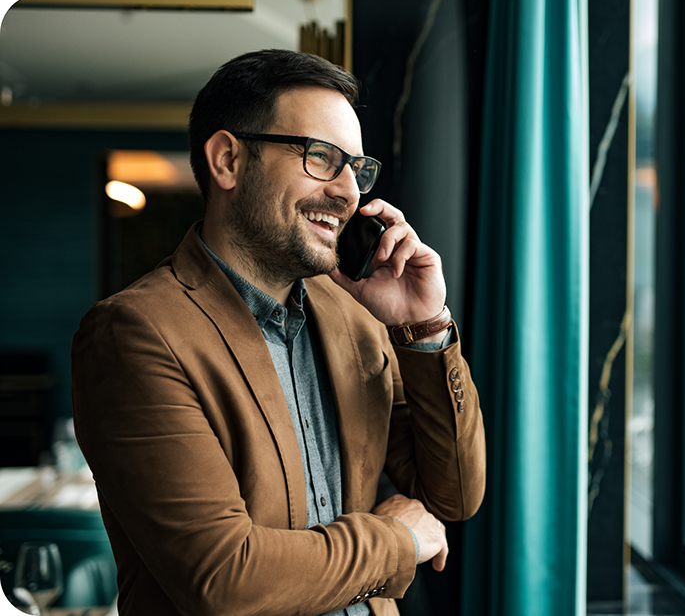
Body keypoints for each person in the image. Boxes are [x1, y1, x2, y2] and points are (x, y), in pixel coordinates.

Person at [71, 49, 486, 616]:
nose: (349, 192)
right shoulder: (134, 334)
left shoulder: (356, 317)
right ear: (227, 160)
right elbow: (226, 578)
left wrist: (426, 327)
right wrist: (397, 541)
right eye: (321, 157)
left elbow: (454, 496)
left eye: (356, 168)